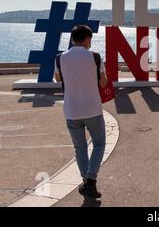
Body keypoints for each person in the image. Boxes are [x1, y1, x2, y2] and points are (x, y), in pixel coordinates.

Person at [54, 25, 108, 200]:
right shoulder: (95, 57)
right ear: (87, 39)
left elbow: (58, 78)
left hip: (71, 110)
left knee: (80, 147)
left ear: (72, 39)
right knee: (99, 144)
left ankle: (87, 182)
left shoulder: (60, 58)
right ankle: (90, 181)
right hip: (92, 108)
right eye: (90, 40)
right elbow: (103, 83)